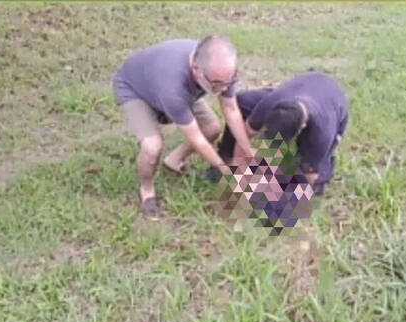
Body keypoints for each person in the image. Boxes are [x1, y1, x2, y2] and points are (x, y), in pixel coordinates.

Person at [112, 36, 254, 216]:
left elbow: (231, 107)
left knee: (212, 128)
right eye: (217, 85)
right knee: (152, 146)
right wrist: (227, 171)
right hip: (134, 89)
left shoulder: (221, 70)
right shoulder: (172, 87)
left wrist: (248, 151)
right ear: (196, 69)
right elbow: (195, 138)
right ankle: (146, 189)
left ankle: (174, 161)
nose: (224, 90)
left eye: (228, 83)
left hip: (175, 88)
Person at [208, 71, 349, 196]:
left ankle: (327, 164)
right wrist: (238, 172)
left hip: (333, 104)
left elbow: (310, 178)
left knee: (310, 187)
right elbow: (245, 133)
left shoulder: (321, 134)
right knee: (242, 102)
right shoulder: (271, 103)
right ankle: (225, 155)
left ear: (301, 128)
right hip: (305, 86)